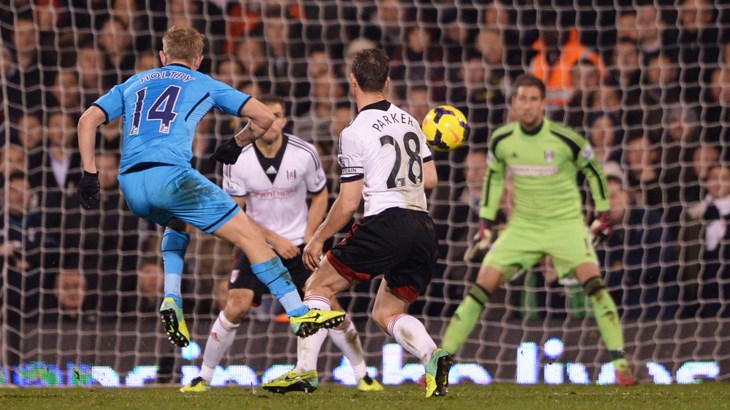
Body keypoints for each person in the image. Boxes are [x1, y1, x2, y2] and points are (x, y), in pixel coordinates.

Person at [76, 26, 345, 348]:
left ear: (163, 56)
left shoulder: (132, 82)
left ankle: (172, 297)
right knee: (251, 237)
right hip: (173, 178)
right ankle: (298, 312)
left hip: (131, 185)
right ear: (199, 60)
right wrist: (236, 143)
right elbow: (263, 117)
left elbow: (87, 120)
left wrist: (90, 174)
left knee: (177, 222)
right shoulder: (203, 82)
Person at [440, 74, 638, 385]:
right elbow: (493, 178)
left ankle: (622, 367)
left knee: (595, 287)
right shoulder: (502, 140)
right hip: (523, 227)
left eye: (534, 99)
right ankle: (440, 364)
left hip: (566, 226)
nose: (528, 105)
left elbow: (595, 171)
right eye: (522, 99)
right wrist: (486, 222)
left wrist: (602, 214)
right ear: (514, 103)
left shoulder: (566, 139)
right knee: (480, 287)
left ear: (543, 104)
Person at [181, 95, 382, 393]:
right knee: (235, 306)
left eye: (276, 115)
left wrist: (311, 238)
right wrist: (274, 239)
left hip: (300, 248)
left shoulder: (305, 153)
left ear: (284, 120)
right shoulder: (237, 159)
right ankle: (204, 377)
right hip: (255, 245)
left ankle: (363, 374)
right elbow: (235, 212)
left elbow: (321, 194)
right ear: (253, 121)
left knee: (331, 309)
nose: (270, 122)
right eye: (264, 116)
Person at [297, 49, 452, 398]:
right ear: (386, 82)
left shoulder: (354, 131)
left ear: (352, 81)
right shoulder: (410, 121)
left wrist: (318, 238)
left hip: (385, 221)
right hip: (423, 227)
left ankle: (304, 371)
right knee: (387, 312)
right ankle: (432, 355)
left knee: (318, 287)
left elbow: (349, 203)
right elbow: (430, 178)